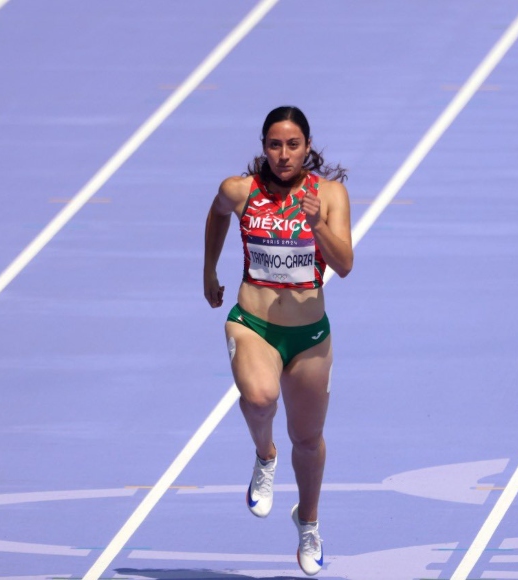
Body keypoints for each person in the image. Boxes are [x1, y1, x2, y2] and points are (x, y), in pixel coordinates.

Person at [203, 106, 352, 576]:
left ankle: (308, 522)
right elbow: (217, 213)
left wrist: (317, 225)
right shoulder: (240, 190)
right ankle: (264, 456)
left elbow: (345, 263)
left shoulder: (328, 195)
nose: (283, 154)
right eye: (274, 145)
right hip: (254, 322)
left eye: (292, 145)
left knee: (307, 441)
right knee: (260, 397)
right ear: (263, 147)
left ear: (307, 147)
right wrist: (208, 269)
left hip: (309, 335)